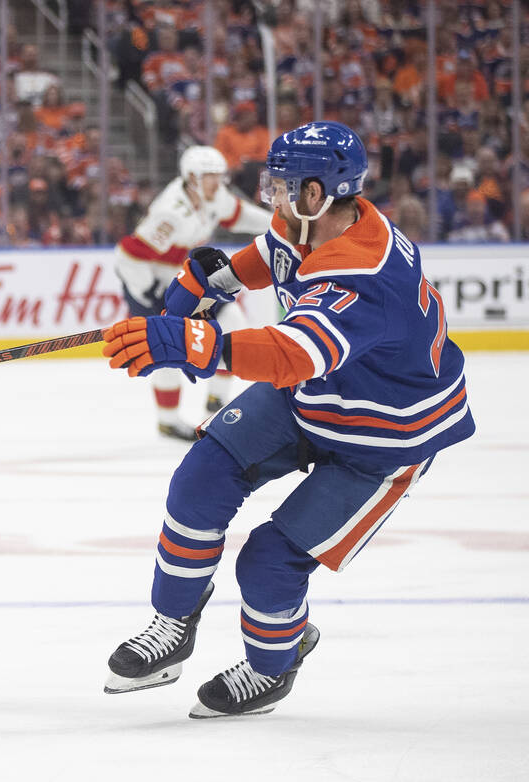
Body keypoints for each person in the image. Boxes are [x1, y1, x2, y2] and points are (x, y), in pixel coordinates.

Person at [99, 121, 475, 718]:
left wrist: (196, 343)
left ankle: (273, 666)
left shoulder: (364, 274)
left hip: (382, 437)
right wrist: (210, 278)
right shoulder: (312, 221)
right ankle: (174, 624)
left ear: (319, 193)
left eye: (282, 186)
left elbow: (290, 354)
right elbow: (270, 255)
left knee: (269, 562)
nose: (271, 197)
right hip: (320, 394)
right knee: (199, 480)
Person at [112, 145, 271, 441]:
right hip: (151, 285)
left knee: (232, 318)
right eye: (209, 176)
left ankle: (217, 401)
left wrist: (277, 224)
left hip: (180, 281)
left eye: (219, 175)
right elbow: (127, 257)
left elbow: (238, 214)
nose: (217, 182)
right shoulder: (170, 212)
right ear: (192, 178)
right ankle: (168, 420)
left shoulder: (212, 196)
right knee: (165, 349)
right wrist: (147, 293)